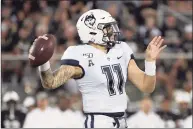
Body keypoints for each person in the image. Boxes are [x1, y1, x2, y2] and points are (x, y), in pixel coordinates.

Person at [31, 9, 166, 128]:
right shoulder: (79, 54)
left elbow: (146, 86)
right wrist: (44, 63)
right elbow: (51, 82)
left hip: (122, 121)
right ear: (92, 31)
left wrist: (150, 61)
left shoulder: (121, 49)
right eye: (107, 28)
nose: (112, 31)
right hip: (99, 122)